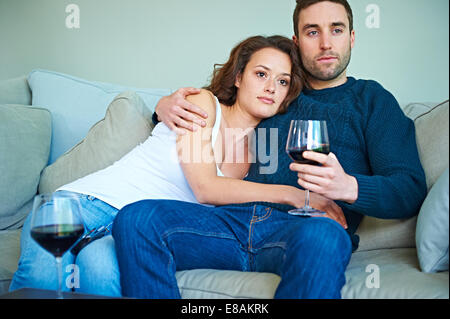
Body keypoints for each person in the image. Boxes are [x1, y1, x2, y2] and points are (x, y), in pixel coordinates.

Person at [112, 0, 427, 299]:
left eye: (337, 29)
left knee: (325, 237)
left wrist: (349, 187)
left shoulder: (372, 101)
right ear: (297, 41)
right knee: (138, 218)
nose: (326, 43)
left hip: (304, 229)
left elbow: (409, 188)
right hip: (229, 223)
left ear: (352, 37)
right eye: (312, 31)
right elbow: (217, 110)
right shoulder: (276, 93)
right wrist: (163, 107)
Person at [10, 35, 326, 297]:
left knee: (101, 272)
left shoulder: (258, 155)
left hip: (127, 231)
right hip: (82, 205)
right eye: (261, 74)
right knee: (42, 284)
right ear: (239, 76)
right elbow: (205, 188)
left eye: (282, 81)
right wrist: (293, 195)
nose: (271, 87)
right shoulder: (202, 105)